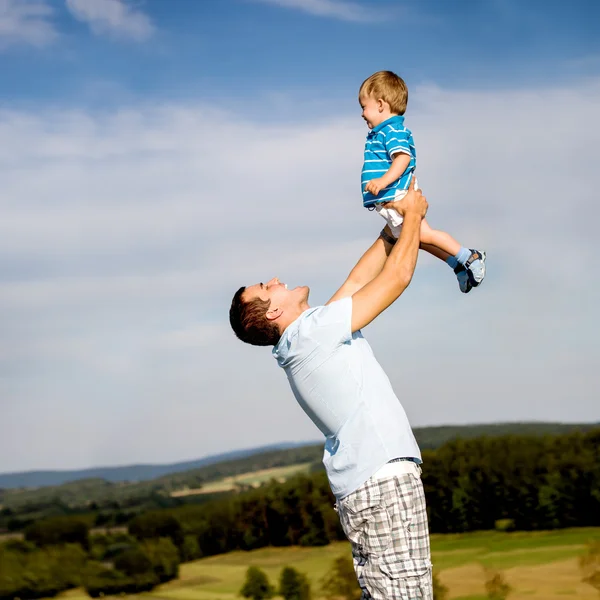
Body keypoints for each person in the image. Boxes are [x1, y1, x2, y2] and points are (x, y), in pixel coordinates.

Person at [229, 180, 434, 599]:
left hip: (366, 487)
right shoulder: (312, 334)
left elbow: (358, 280)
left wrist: (390, 229)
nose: (274, 279)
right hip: (383, 481)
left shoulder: (304, 337)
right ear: (275, 311)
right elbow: (397, 278)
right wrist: (412, 214)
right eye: (266, 287)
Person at [360, 70, 486, 293]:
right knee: (417, 239)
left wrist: (381, 182)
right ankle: (457, 265)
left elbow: (403, 158)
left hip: (397, 194)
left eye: (364, 107)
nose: (362, 114)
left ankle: (470, 257)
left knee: (423, 235)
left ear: (380, 104)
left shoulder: (392, 130)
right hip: (391, 196)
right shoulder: (383, 131)